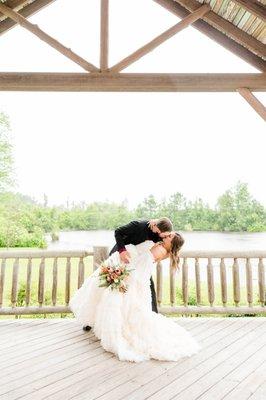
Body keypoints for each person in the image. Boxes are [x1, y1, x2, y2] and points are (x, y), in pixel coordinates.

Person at [69, 232, 201, 362]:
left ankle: (120, 333)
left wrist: (122, 274)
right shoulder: (164, 250)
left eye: (169, 237)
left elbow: (141, 267)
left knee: (129, 309)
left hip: (135, 280)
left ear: (172, 243)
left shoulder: (160, 249)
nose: (166, 236)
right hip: (138, 280)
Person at [83, 217, 173, 331]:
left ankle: (151, 317)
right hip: (121, 256)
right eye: (161, 234)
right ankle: (90, 320)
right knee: (106, 286)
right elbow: (118, 232)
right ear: (155, 227)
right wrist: (122, 250)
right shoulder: (138, 225)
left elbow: (173, 237)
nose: (162, 237)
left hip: (138, 262)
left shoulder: (161, 231)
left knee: (145, 286)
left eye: (165, 235)